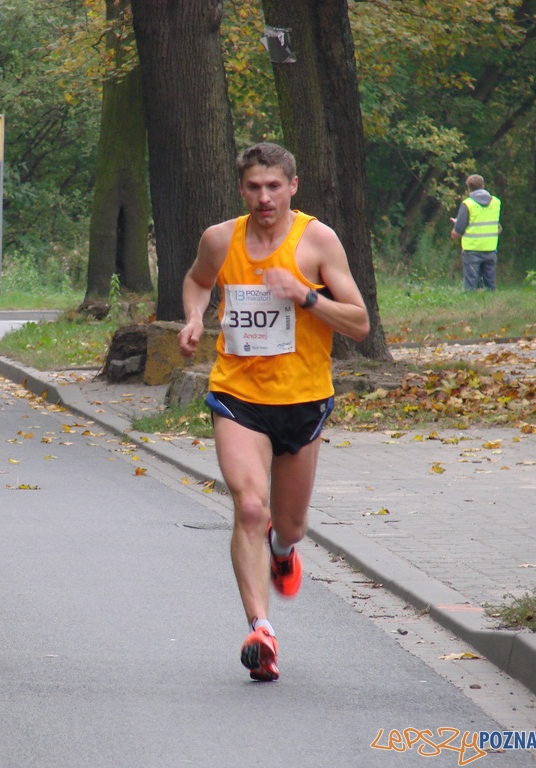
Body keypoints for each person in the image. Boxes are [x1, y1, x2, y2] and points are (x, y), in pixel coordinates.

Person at [178, 142, 370, 681]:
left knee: (288, 525)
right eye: (254, 187)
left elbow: (359, 323)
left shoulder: (317, 240)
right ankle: (261, 630)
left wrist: (305, 296)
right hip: (238, 395)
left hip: (303, 400)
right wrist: (193, 317)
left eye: (274, 186)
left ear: (292, 185)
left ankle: (284, 551)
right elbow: (196, 280)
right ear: (242, 189)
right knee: (248, 508)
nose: (264, 197)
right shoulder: (221, 239)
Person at [450, 174, 502, 291]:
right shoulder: (496, 202)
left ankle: (470, 307)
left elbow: (457, 232)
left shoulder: (468, 204)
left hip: (472, 249)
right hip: (490, 248)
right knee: (490, 286)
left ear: (468, 188)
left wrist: (456, 227)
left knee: (470, 286)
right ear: (483, 185)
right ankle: (492, 307)